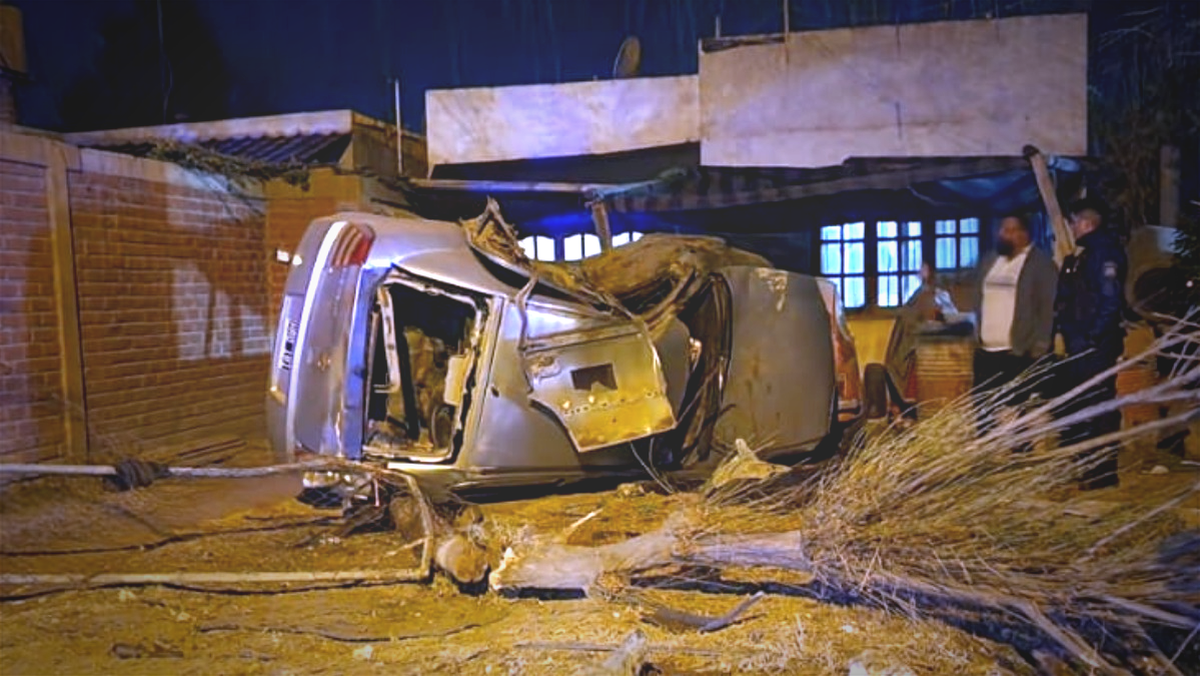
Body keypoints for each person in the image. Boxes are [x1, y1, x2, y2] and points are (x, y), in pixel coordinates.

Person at [1054, 198, 1128, 489]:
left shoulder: (1103, 252)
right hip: (1082, 344)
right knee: (1083, 406)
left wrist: (1092, 337)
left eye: (1073, 222)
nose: (1071, 228)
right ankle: (1087, 467)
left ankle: (1103, 472)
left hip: (1096, 346)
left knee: (1099, 406)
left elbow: (1109, 302)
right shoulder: (1083, 255)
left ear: (1085, 223)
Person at [971, 213, 1058, 418]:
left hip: (1018, 352)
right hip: (986, 352)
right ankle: (985, 447)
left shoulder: (1040, 265)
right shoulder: (990, 261)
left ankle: (1019, 449)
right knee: (983, 410)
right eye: (1002, 229)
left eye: (1009, 230)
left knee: (1015, 410)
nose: (1002, 234)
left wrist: (1040, 345)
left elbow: (1048, 307)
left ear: (1024, 234)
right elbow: (978, 298)